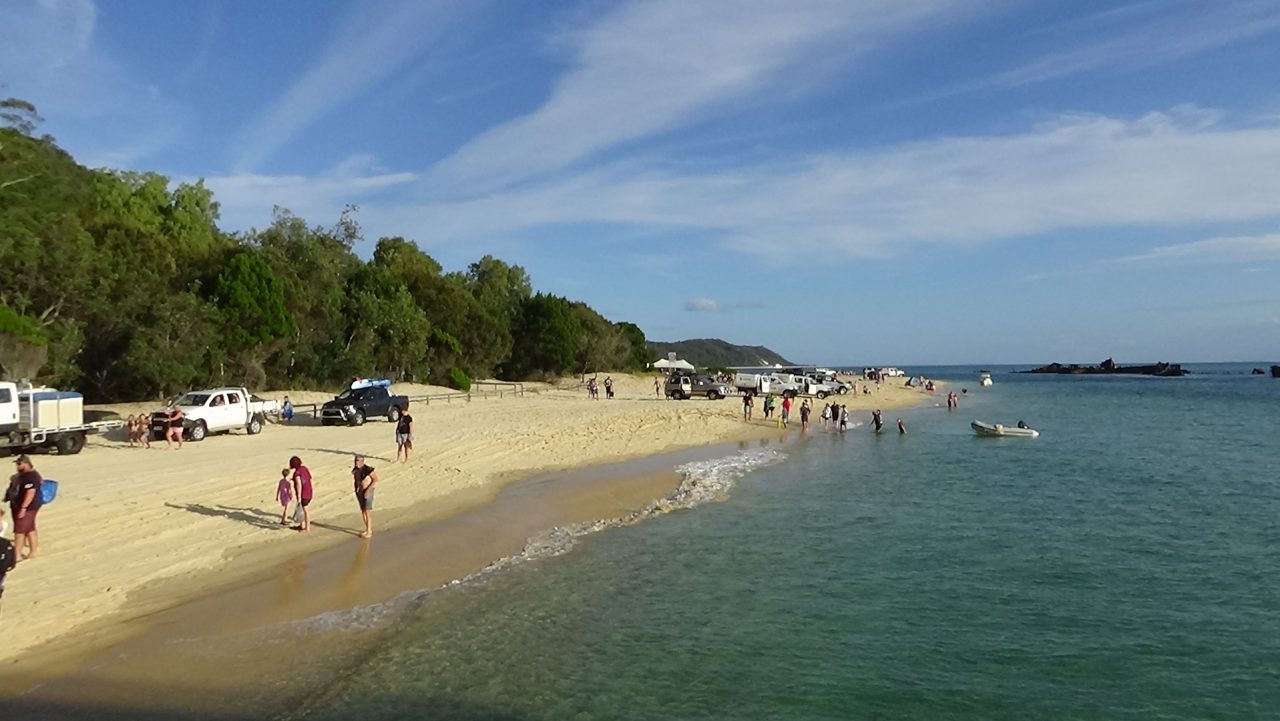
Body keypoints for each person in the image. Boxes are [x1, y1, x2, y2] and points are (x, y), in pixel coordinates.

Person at [7, 455, 43, 563]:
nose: (17, 466)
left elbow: (30, 493)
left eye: (19, 464)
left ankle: (17, 555)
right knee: (30, 528)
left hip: (27, 507)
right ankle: (33, 551)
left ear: (26, 464)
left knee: (19, 531)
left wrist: (23, 508)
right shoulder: (29, 475)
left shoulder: (30, 477)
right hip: (27, 506)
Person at [351, 455, 379, 538]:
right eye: (356, 460)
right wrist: (356, 489)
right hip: (360, 492)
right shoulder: (355, 470)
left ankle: (369, 531)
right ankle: (367, 529)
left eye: (358, 460)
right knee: (363, 510)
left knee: (367, 511)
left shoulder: (367, 469)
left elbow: (375, 479)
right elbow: (356, 480)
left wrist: (368, 490)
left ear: (362, 461)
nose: (356, 462)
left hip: (368, 491)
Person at [289, 456, 313, 533]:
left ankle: (307, 527)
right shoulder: (304, 469)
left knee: (305, 510)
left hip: (303, 494)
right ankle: (302, 525)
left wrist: (299, 496)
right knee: (303, 509)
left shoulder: (297, 473)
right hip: (309, 491)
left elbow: (299, 484)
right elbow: (308, 478)